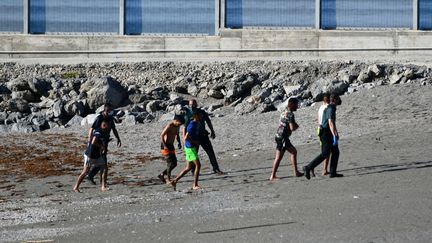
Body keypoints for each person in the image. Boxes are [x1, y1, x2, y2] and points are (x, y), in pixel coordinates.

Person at [303, 94, 343, 179]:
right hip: (326, 133)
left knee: (335, 152)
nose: (340, 100)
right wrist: (335, 134)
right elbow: (330, 122)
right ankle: (308, 167)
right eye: (338, 98)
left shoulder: (328, 107)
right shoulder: (331, 108)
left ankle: (333, 172)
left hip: (324, 131)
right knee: (325, 154)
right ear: (334, 100)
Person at [183, 99, 223, 175]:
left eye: (193, 104)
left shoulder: (202, 112)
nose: (192, 106)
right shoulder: (188, 114)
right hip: (194, 137)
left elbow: (208, 121)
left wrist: (212, 131)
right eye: (190, 105)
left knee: (210, 152)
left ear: (196, 104)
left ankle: (216, 168)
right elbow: (185, 127)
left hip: (203, 135)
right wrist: (185, 139)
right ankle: (193, 170)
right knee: (194, 154)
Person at [86, 103, 121, 184]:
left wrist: (118, 138)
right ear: (107, 110)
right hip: (98, 142)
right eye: (111, 110)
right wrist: (89, 141)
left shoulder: (110, 118)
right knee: (102, 161)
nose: (112, 111)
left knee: (101, 160)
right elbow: (91, 129)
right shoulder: (99, 118)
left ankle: (92, 175)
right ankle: (99, 180)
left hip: (105, 141)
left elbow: (114, 129)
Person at [269, 97, 303, 181]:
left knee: (288, 154)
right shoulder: (291, 114)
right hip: (283, 137)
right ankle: (273, 176)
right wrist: (295, 127)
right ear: (293, 105)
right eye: (296, 105)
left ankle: (295, 172)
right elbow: (292, 128)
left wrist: (294, 125)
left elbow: (285, 122)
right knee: (289, 154)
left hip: (278, 135)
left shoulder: (284, 112)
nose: (297, 106)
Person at [73, 121, 110, 192]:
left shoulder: (103, 132)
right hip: (90, 155)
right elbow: (93, 142)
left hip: (97, 155)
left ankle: (103, 187)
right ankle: (76, 187)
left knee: (104, 167)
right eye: (107, 126)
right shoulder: (98, 132)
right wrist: (101, 146)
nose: (108, 127)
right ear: (104, 125)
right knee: (85, 171)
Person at [170, 111, 202, 191]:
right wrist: (194, 142)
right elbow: (186, 137)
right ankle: (195, 185)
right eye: (200, 115)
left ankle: (175, 181)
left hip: (190, 147)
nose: (201, 116)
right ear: (195, 116)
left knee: (188, 167)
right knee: (198, 165)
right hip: (190, 147)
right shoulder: (192, 125)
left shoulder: (197, 123)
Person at [157, 115, 185, 183]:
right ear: (176, 121)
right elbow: (162, 135)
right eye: (179, 123)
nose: (180, 125)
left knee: (174, 163)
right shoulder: (169, 125)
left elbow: (177, 134)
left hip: (171, 145)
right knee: (170, 163)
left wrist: (179, 143)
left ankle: (162, 174)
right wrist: (164, 145)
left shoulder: (177, 126)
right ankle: (168, 179)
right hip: (165, 146)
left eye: (181, 124)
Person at [311, 93, 331, 177]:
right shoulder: (327, 108)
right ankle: (314, 167)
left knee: (324, 151)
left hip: (319, 129)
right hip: (325, 130)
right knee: (326, 152)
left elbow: (318, 119)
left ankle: (324, 169)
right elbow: (328, 121)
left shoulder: (320, 107)